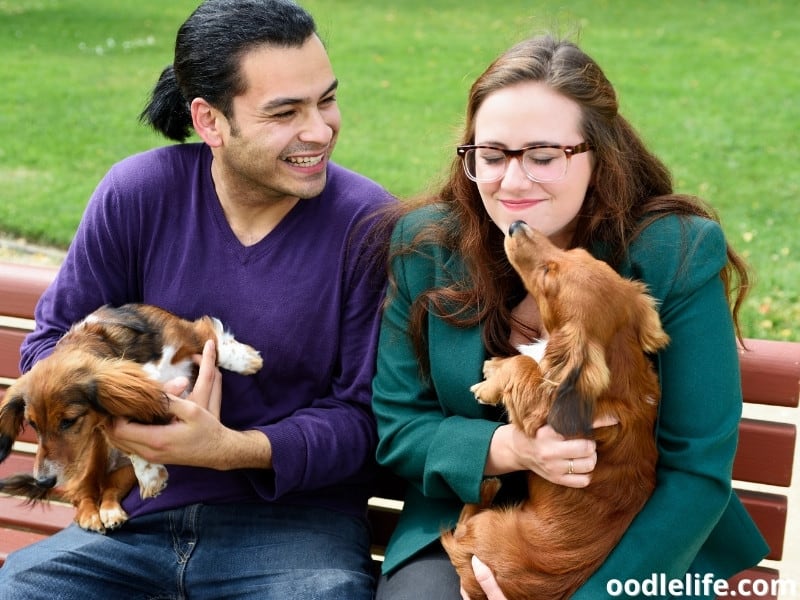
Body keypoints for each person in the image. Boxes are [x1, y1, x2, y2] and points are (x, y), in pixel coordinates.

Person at [0, 1, 395, 598]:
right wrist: (131, 405)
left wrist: (230, 449)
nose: (320, 130)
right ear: (209, 120)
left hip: (295, 530)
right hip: (134, 515)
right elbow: (46, 349)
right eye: (285, 112)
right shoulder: (138, 193)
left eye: (327, 100)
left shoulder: (367, 225)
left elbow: (367, 417)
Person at [371, 34, 769, 599]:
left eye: (543, 157)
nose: (512, 181)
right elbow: (399, 425)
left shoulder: (674, 251)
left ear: (598, 155)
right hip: (464, 520)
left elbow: (695, 473)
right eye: (492, 156)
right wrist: (509, 448)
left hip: (635, 544)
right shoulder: (428, 244)